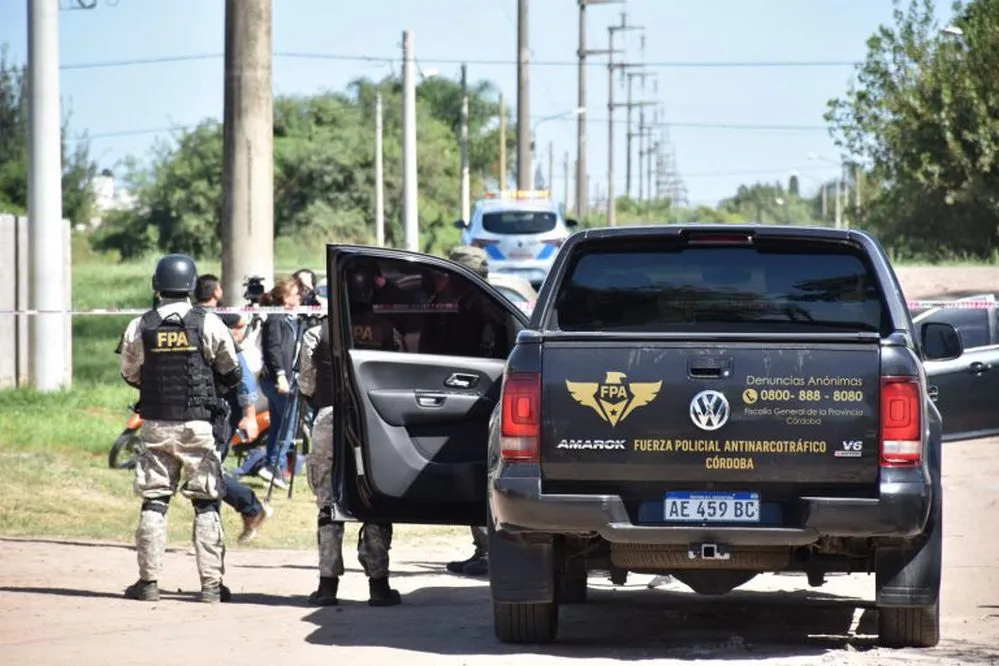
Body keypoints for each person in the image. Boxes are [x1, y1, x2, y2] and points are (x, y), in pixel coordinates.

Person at [117, 254, 243, 603]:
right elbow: (231, 371)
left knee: (154, 501)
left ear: (157, 285)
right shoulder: (209, 322)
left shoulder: (140, 325)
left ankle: (148, 583)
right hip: (198, 426)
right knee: (206, 503)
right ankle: (212, 586)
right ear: (191, 285)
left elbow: (130, 373)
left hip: (155, 424)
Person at [298, 267, 404, 606]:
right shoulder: (388, 330)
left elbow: (306, 383)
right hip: (372, 423)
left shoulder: (317, 333)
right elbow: (399, 377)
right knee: (374, 498)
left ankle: (327, 587)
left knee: (328, 504)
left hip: (329, 418)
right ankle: (379, 586)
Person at [194, 274, 274, 543]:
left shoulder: (215, 326)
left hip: (225, 410)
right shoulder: (195, 322)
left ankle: (247, 510)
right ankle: (246, 511)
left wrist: (250, 416)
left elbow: (244, 375)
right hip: (202, 410)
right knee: (204, 469)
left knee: (207, 469)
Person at [442, 245, 493, 577]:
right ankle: (485, 549)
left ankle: (489, 551)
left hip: (479, 401)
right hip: (474, 398)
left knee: (479, 477)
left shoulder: (481, 310)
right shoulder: (480, 304)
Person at [253, 277, 303, 488]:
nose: (300, 297)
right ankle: (274, 467)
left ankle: (273, 466)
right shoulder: (276, 318)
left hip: (280, 378)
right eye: (296, 294)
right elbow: (273, 348)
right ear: (285, 297)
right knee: (286, 427)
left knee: (278, 424)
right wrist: (281, 375)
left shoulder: (287, 317)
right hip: (276, 379)